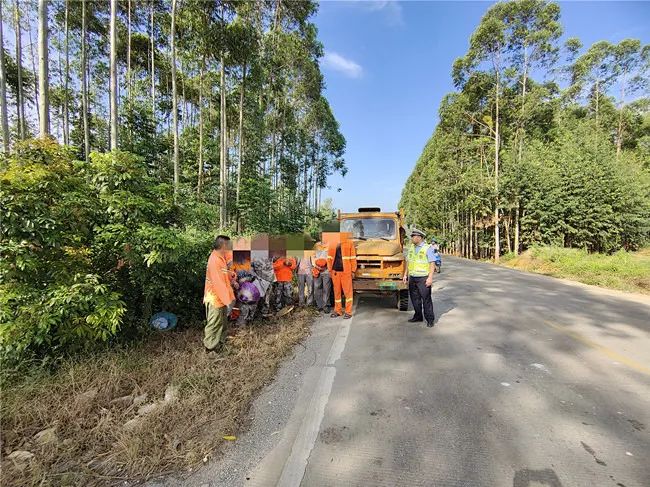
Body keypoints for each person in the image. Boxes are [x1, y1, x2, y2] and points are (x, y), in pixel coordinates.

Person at [203, 235, 236, 355]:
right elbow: (218, 283)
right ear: (223, 245)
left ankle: (220, 345)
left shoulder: (220, 257)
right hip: (215, 298)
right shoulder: (215, 260)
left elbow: (224, 273)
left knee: (222, 322)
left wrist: (231, 275)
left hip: (221, 298)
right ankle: (210, 349)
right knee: (214, 323)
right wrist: (228, 300)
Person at [403, 228, 436, 327]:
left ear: (419, 237)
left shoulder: (427, 248)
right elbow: (408, 261)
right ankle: (418, 316)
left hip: (423, 278)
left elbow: (432, 263)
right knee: (415, 299)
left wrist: (430, 278)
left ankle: (430, 319)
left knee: (426, 299)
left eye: (413, 237)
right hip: (412, 277)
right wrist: (405, 274)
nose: (412, 238)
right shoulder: (412, 248)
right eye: (412, 236)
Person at [328, 234, 356, 319]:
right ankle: (338, 311)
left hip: (346, 272)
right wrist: (330, 270)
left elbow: (353, 258)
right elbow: (329, 258)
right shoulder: (332, 243)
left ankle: (348, 312)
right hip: (335, 272)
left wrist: (353, 270)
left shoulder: (349, 242)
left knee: (348, 292)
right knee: (337, 292)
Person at [312, 236, 332, 313]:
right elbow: (312, 256)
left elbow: (330, 258)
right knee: (317, 288)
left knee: (326, 289)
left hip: (326, 271)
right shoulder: (316, 246)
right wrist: (316, 266)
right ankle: (319, 306)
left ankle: (326, 306)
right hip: (317, 270)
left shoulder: (330, 246)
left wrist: (326, 266)